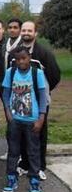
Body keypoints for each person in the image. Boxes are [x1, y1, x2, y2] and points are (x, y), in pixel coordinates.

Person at [16, 21, 61, 180]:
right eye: (24, 30)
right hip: (21, 101)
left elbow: (55, 75)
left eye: (29, 30)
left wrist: (43, 93)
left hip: (39, 102)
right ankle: (24, 164)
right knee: (21, 133)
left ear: (35, 33)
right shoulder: (16, 51)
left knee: (39, 133)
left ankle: (40, 166)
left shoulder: (44, 53)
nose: (26, 32)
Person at [1, 46, 47, 192]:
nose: (21, 61)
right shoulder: (11, 72)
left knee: (33, 152)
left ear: (29, 57)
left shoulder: (37, 73)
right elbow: (6, 94)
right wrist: (8, 112)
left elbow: (42, 97)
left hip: (32, 121)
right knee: (13, 151)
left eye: (24, 58)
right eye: (18, 59)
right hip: (15, 120)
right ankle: (11, 179)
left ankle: (34, 181)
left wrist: (41, 118)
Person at [0, 18, 23, 161]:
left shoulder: (21, 44)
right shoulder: (5, 44)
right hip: (7, 86)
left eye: (15, 27)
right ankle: (12, 151)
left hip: (20, 87)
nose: (12, 29)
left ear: (19, 29)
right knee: (10, 119)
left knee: (20, 119)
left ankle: (21, 153)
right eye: (10, 27)